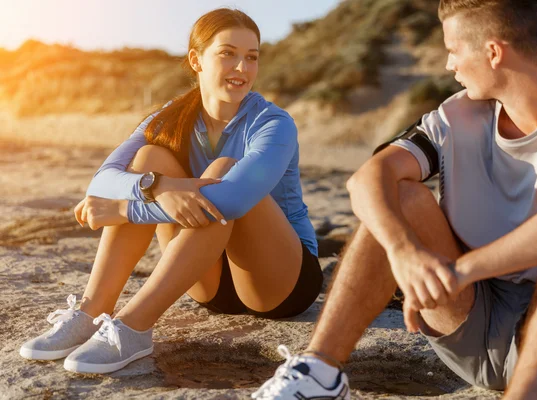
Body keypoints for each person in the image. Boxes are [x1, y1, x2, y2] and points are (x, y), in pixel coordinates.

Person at [253, 1, 537, 399]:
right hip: (474, 332)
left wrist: (466, 269)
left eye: (453, 49)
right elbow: (368, 179)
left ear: (493, 51)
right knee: (398, 195)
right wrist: (402, 250)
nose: (449, 65)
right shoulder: (457, 115)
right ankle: (319, 374)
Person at [19, 8, 323, 375]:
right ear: (196, 59)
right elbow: (101, 181)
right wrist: (158, 186)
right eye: (228, 53)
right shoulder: (170, 117)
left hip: (278, 283)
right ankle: (90, 312)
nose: (241, 68)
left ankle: (134, 327)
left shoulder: (273, 123)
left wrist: (124, 210)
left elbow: (232, 199)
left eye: (251, 57)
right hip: (204, 277)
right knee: (149, 158)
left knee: (222, 172)